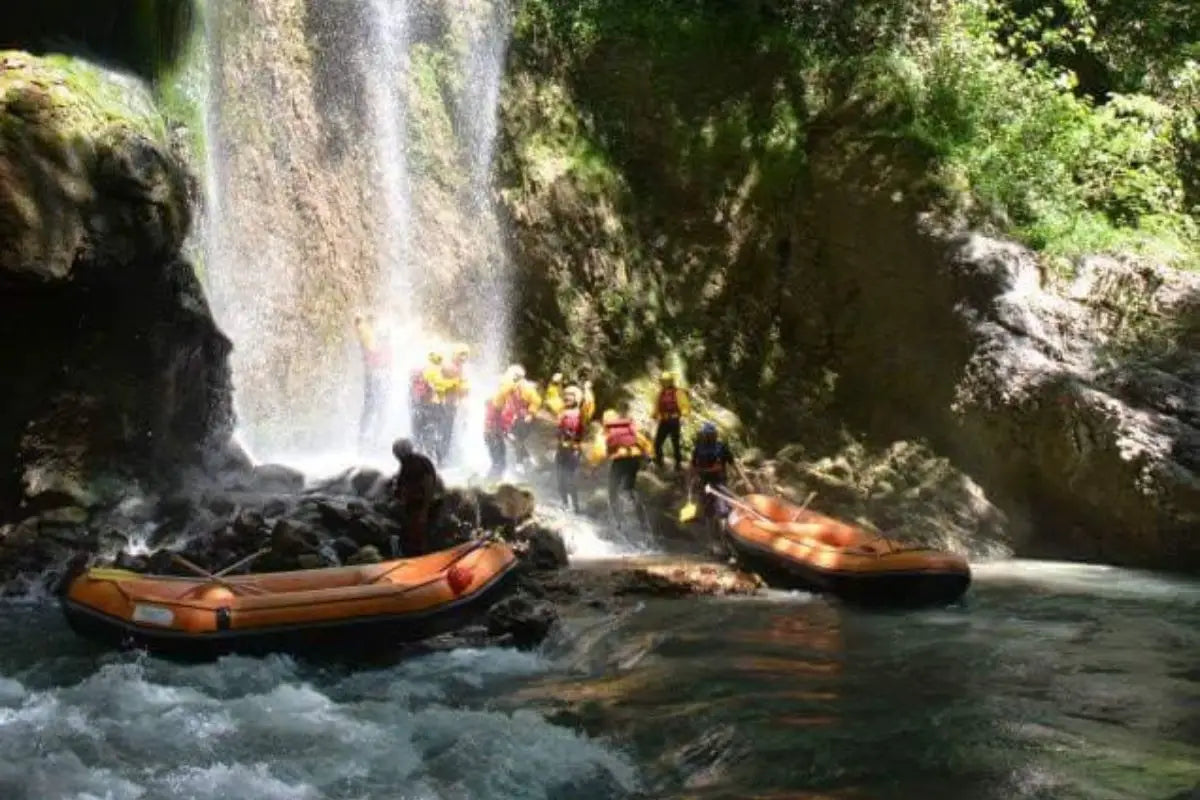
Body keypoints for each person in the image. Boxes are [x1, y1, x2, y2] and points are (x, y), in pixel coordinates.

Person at [600, 406, 653, 529]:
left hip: (620, 460)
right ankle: (643, 521)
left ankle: (619, 522)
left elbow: (600, 452)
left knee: (612, 490)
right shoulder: (629, 427)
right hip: (634, 460)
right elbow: (644, 443)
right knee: (629, 489)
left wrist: (592, 467)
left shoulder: (608, 429)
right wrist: (648, 458)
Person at [391, 438, 443, 556]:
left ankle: (421, 558)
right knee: (415, 535)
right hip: (417, 505)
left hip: (421, 505)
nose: (396, 456)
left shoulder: (415, 464)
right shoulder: (411, 463)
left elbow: (428, 484)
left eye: (396, 453)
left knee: (419, 536)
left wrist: (424, 510)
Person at [354, 312, 392, 450]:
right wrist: (360, 320)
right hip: (375, 375)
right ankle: (366, 439)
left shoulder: (382, 346)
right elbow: (360, 327)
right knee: (372, 407)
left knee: (379, 407)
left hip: (380, 376)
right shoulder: (369, 340)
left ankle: (374, 439)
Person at [689, 421, 735, 523]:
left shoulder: (721, 447)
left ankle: (725, 526)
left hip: (719, 481)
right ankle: (710, 527)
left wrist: (746, 480)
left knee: (723, 508)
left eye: (711, 434)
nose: (709, 436)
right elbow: (693, 463)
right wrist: (692, 477)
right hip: (704, 481)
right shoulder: (699, 447)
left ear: (715, 434)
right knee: (707, 506)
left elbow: (732, 463)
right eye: (707, 434)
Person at [437, 343, 471, 464]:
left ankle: (444, 456)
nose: (464, 358)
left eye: (466, 355)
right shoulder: (449, 367)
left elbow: (462, 389)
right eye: (461, 355)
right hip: (445, 404)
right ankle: (441, 458)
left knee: (448, 432)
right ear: (455, 354)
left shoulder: (458, 367)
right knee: (445, 432)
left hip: (451, 405)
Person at [555, 385, 586, 511]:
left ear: (576, 398)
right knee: (560, 478)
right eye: (566, 395)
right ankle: (565, 503)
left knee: (570, 478)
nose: (567, 397)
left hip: (573, 450)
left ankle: (575, 505)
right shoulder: (562, 413)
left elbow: (583, 432)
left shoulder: (581, 414)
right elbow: (558, 431)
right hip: (562, 448)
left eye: (571, 395)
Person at [651, 370, 690, 470]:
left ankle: (678, 464)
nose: (663, 383)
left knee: (675, 443)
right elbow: (657, 405)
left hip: (674, 420)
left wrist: (684, 416)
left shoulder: (678, 392)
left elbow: (684, 405)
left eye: (664, 381)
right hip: (664, 420)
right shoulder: (661, 393)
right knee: (658, 442)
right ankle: (659, 461)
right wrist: (653, 416)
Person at [505, 369, 543, 469]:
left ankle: (519, 462)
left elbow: (537, 401)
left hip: (525, 417)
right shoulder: (513, 387)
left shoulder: (527, 388)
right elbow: (509, 402)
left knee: (517, 438)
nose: (513, 377)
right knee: (511, 436)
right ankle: (527, 457)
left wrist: (530, 414)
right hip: (516, 417)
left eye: (515, 376)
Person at [483, 383, 514, 481]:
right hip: (493, 435)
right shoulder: (498, 402)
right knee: (498, 462)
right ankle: (491, 482)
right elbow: (499, 421)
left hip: (493, 434)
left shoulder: (496, 401)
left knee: (500, 463)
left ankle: (494, 481)